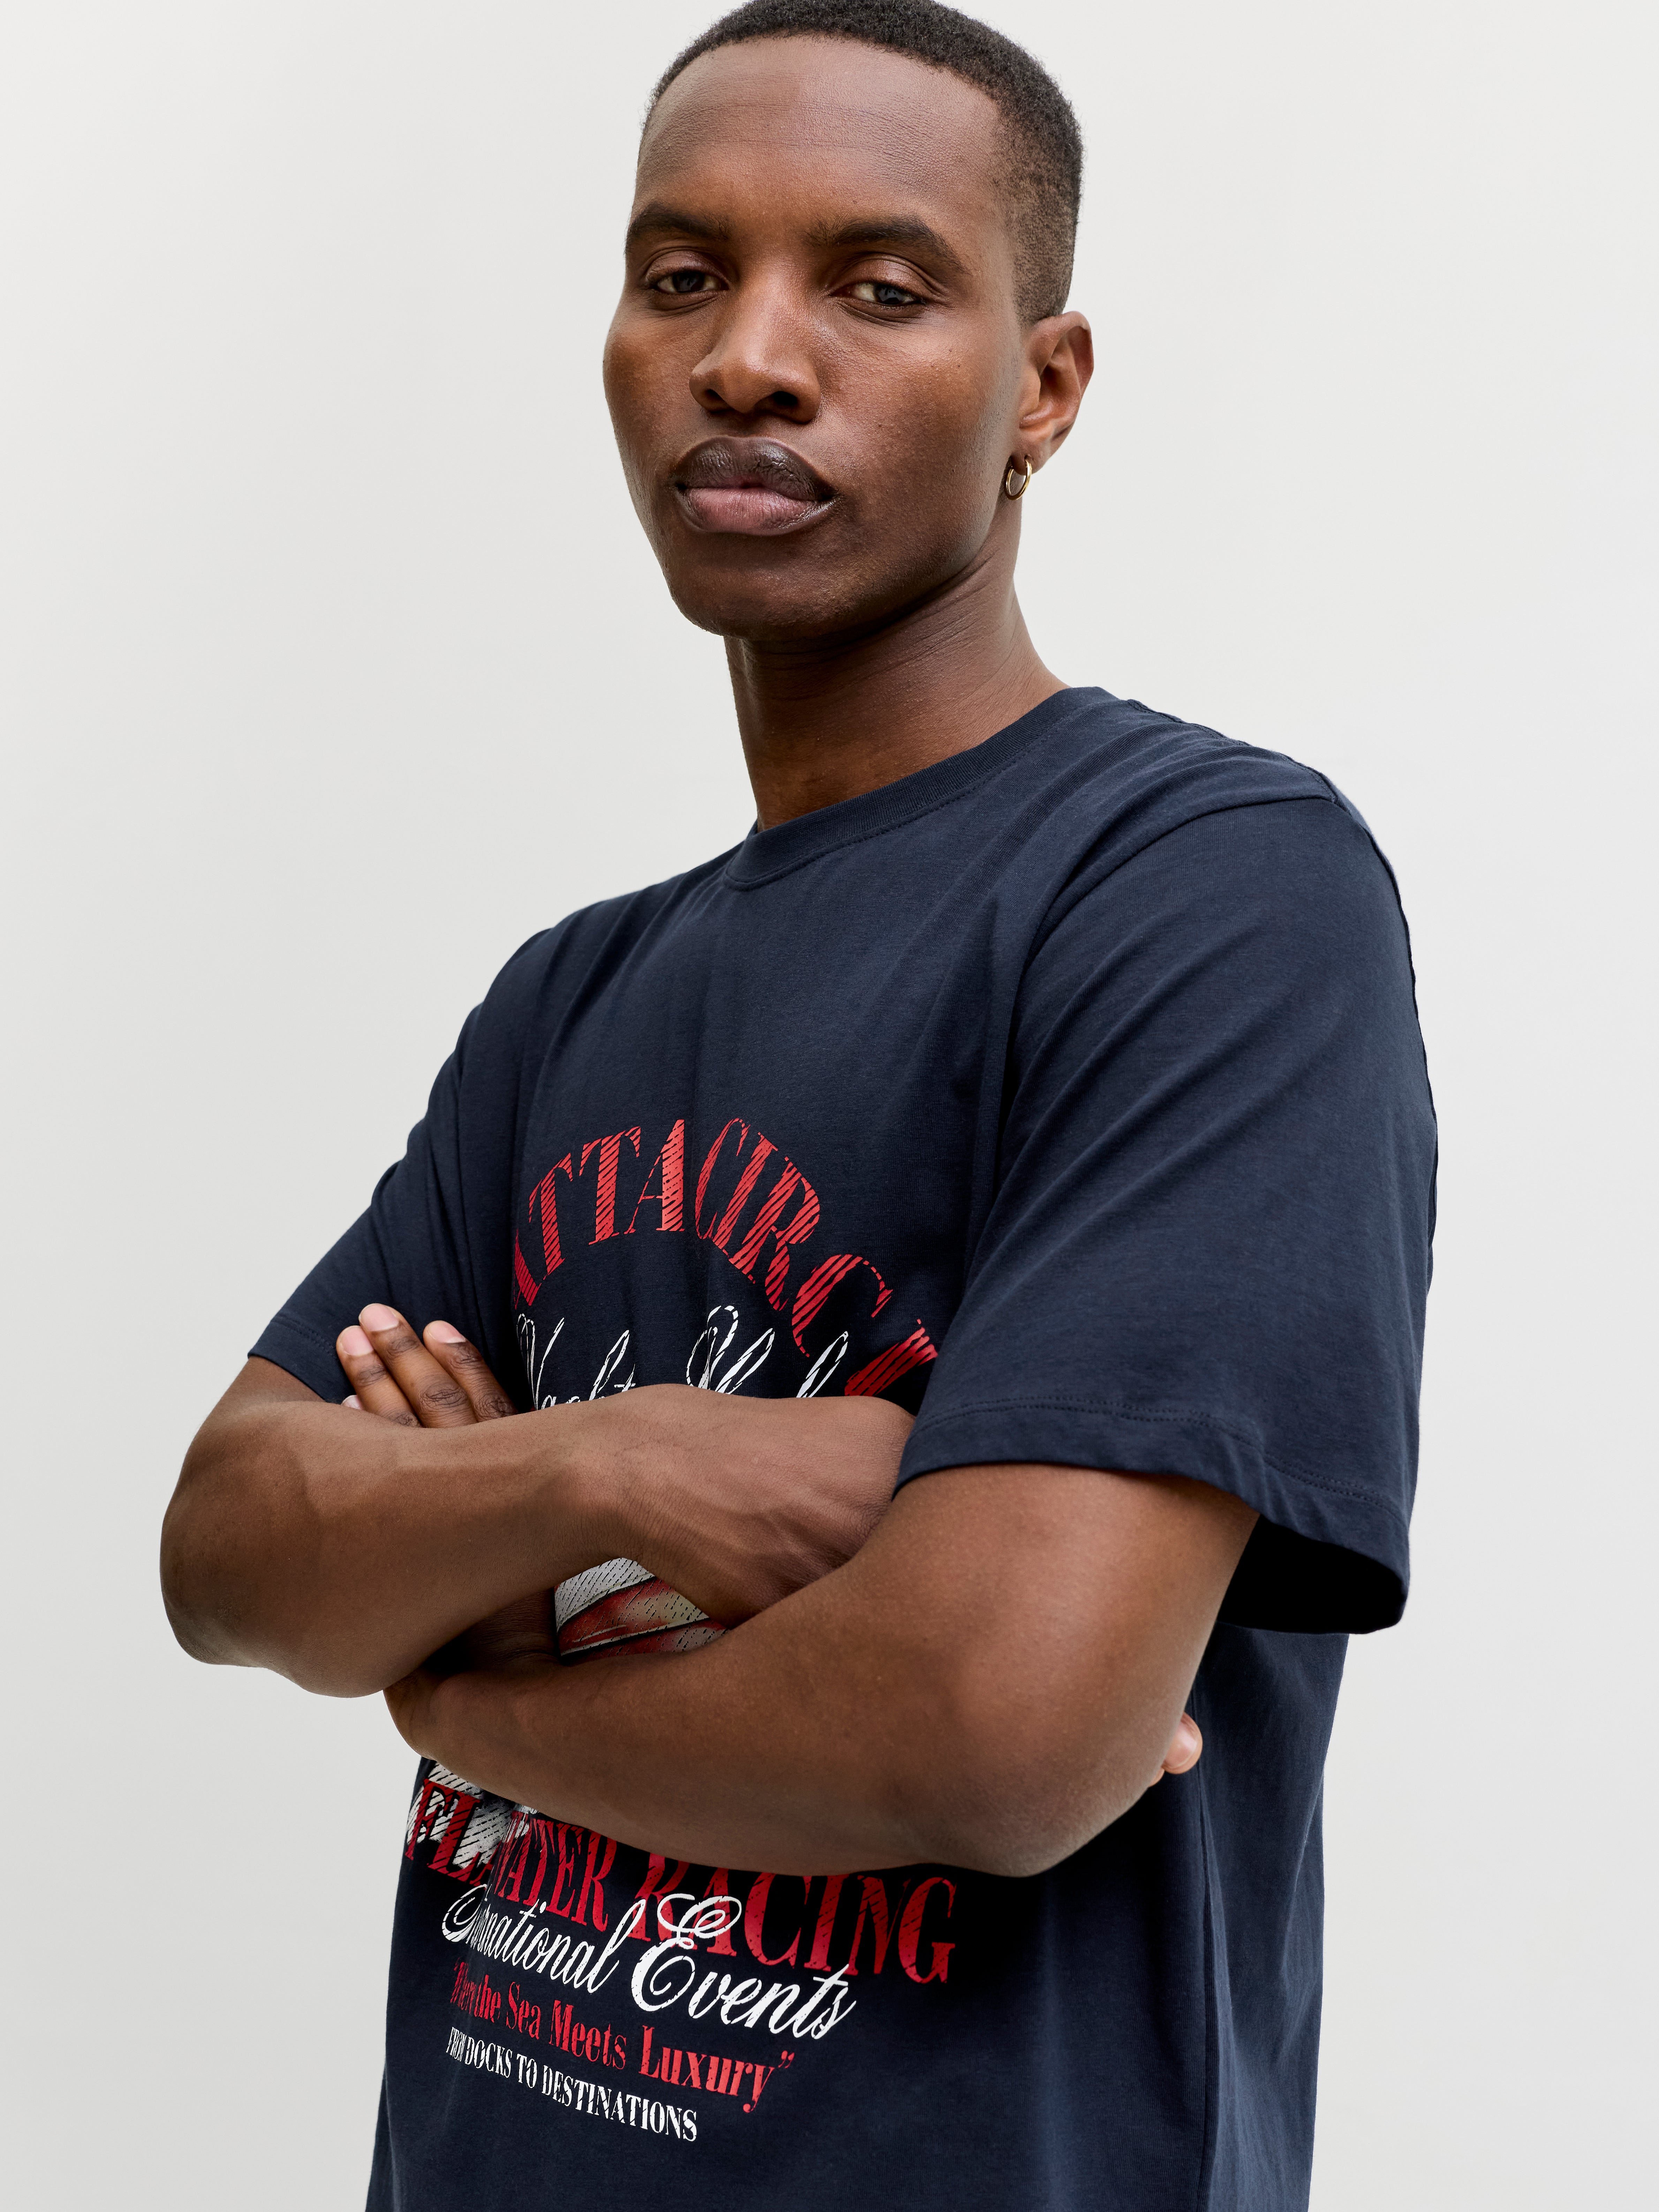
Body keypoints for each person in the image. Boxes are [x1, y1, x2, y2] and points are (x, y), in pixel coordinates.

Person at [160, 3, 1436, 2205]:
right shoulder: (570, 996)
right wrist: (622, 1462)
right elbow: (229, 1543)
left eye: (879, 286)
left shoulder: (1204, 890)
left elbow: (994, 1722)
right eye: (681, 275)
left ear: (1042, 388)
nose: (749, 359)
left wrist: (463, 1677)